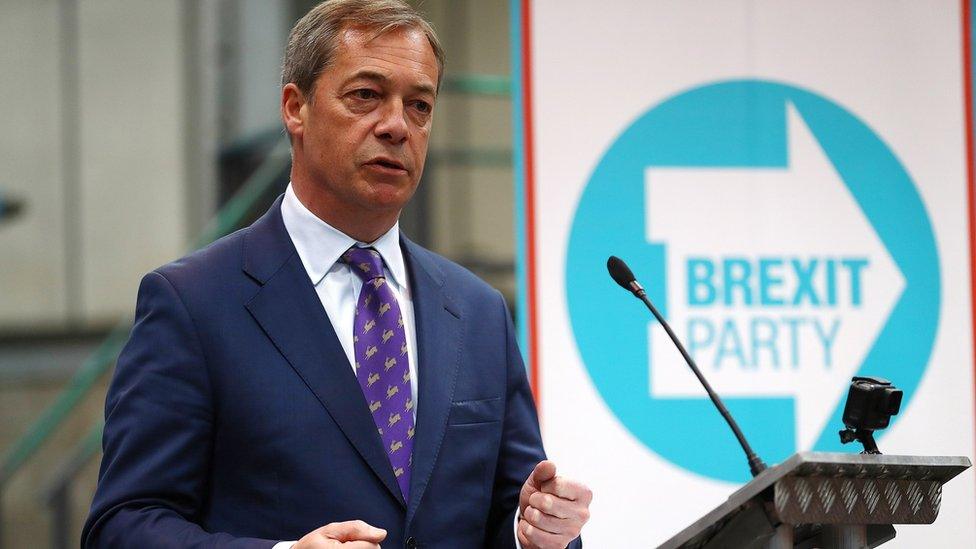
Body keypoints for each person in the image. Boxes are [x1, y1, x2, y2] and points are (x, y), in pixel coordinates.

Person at [82, 1, 591, 547]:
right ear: (295, 108)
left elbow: (504, 512)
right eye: (366, 96)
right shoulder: (193, 303)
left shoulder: (478, 311)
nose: (397, 126)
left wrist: (536, 533)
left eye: (419, 105)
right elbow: (124, 525)